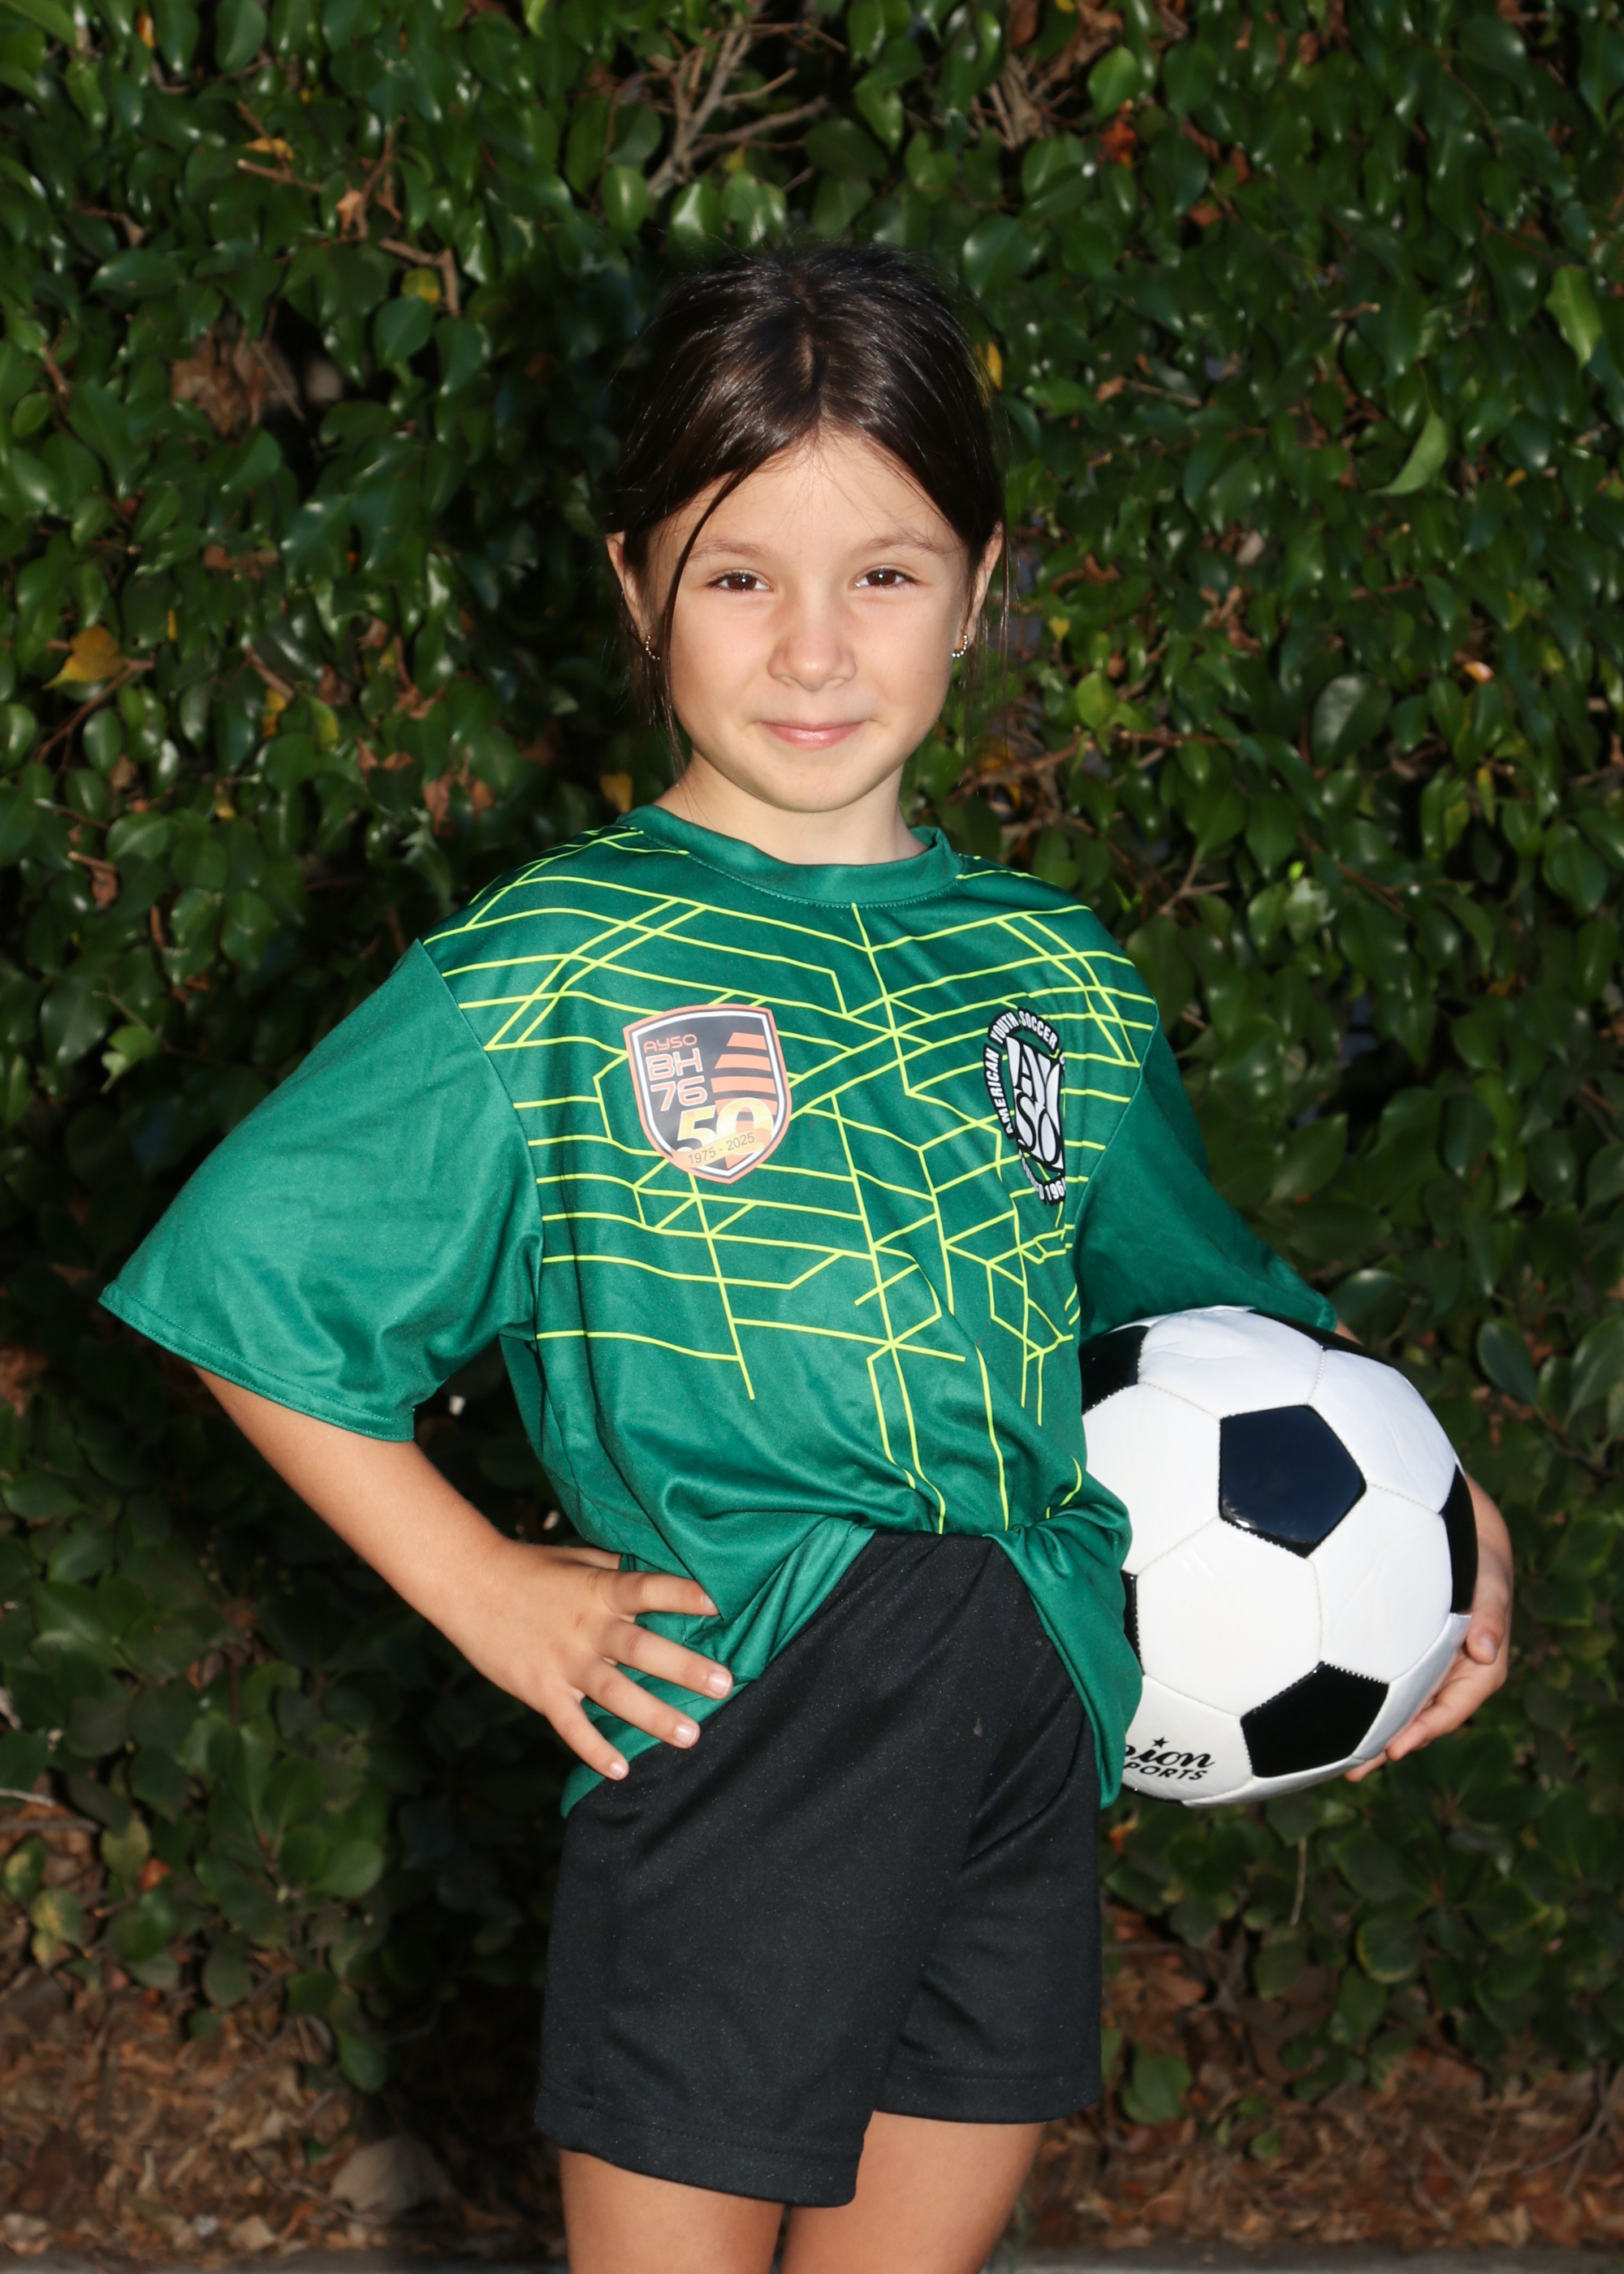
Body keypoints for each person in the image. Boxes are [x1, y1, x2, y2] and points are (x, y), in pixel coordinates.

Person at [101, 244, 1514, 2274]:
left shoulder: (1054, 973)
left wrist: (1448, 1519)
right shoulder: (560, 961)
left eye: (886, 571)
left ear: (980, 582)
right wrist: (486, 1588)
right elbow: (247, 1283)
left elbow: (1208, 1305)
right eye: (739, 574)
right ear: (633, 588)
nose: (814, 646)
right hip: (754, 1702)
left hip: (1035, 1683)